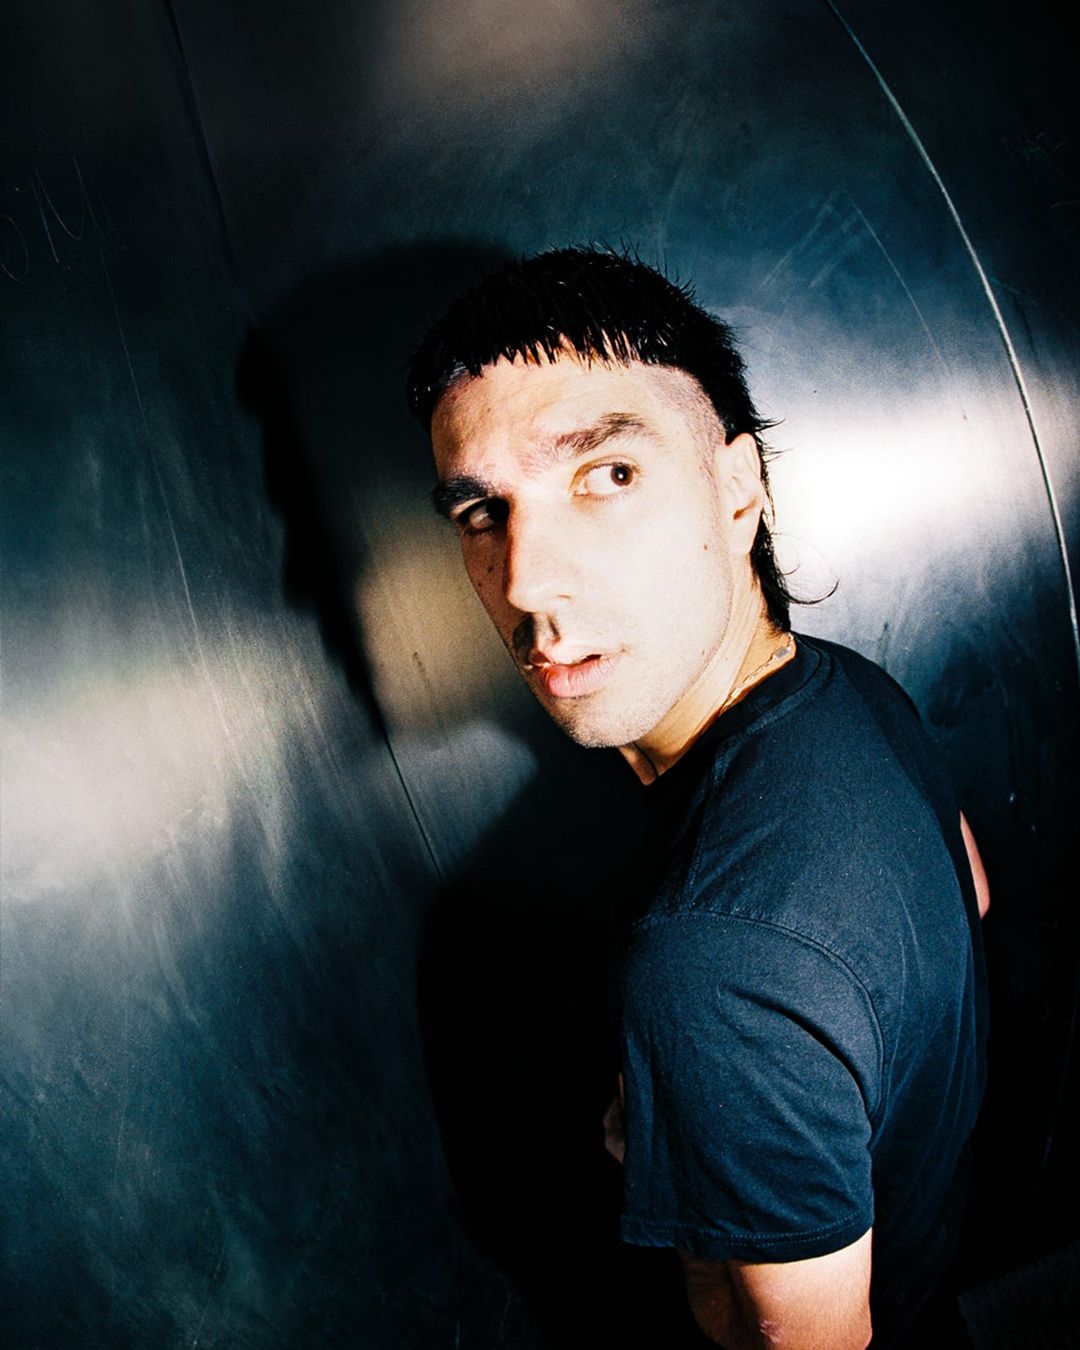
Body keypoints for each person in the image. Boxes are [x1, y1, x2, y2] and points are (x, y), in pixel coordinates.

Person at [406, 246, 989, 1349]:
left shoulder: (710, 966)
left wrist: (699, 1143)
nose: (525, 580)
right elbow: (973, 888)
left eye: (607, 475)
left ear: (737, 489)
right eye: (482, 511)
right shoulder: (852, 687)